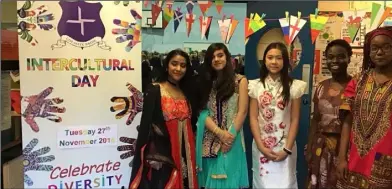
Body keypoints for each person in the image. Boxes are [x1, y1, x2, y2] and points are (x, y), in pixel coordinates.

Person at [336, 26, 392, 189]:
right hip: (353, 160)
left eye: (386, 47)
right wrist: (341, 158)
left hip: (387, 165)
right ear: (369, 51)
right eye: (374, 48)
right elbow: (347, 121)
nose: (380, 52)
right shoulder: (358, 80)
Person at [129, 49, 198, 189]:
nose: (178, 69)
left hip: (187, 153)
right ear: (167, 66)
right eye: (174, 64)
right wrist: (153, 155)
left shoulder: (187, 91)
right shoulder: (155, 89)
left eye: (183, 65)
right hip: (165, 154)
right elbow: (146, 126)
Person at [248, 42, 307, 188]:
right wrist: (261, 147)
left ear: (285, 61)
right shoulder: (255, 86)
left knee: (285, 183)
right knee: (262, 184)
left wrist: (287, 149)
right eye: (270, 57)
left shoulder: (294, 86)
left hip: (285, 147)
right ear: (264, 60)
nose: (274, 62)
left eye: (279, 58)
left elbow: (295, 119)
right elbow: (253, 118)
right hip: (262, 147)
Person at [195, 43, 249, 189]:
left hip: (233, 138)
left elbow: (242, 111)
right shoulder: (205, 82)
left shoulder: (240, 81)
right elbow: (201, 111)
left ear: (228, 57)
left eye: (220, 55)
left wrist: (228, 138)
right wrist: (220, 134)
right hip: (209, 139)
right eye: (212, 57)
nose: (216, 59)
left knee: (230, 178)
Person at [305, 39, 353, 188]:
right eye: (330, 57)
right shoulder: (321, 87)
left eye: (340, 56)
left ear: (349, 58)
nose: (335, 60)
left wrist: (343, 156)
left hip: (344, 148)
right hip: (321, 147)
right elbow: (316, 119)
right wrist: (310, 144)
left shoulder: (355, 86)